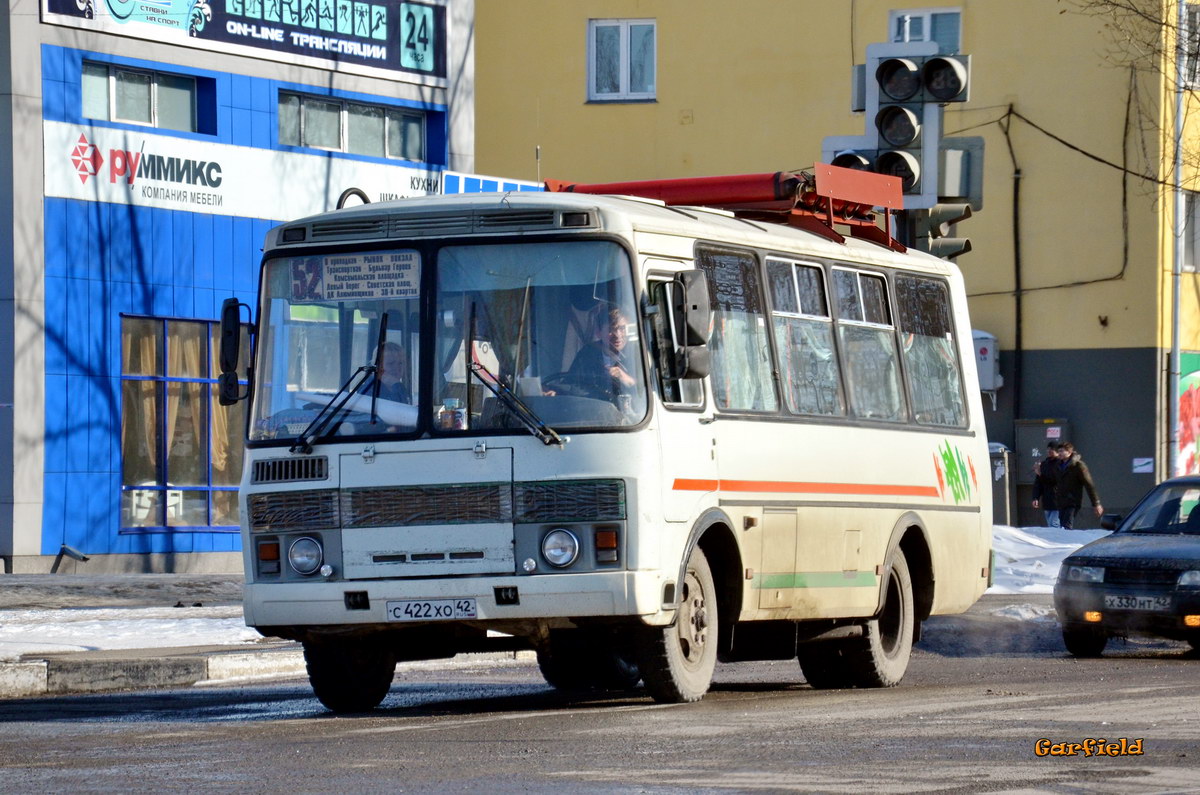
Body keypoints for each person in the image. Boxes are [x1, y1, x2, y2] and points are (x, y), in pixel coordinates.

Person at [562, 306, 637, 407]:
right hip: (593, 410)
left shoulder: (637, 353)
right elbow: (569, 383)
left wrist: (622, 376)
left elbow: (645, 391)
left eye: (622, 328)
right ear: (599, 332)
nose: (618, 335)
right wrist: (554, 391)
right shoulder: (587, 353)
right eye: (610, 330)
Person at [1054, 441, 1103, 529]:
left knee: (1067, 525)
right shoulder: (1058, 465)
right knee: (1062, 526)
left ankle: (1067, 542)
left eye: (1062, 451)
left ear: (1069, 452)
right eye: (1059, 451)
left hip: (1072, 501)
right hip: (1061, 501)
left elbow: (1089, 484)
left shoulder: (1078, 465)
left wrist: (1096, 503)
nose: (1059, 453)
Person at [1031, 441, 1062, 527]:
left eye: (1051, 449)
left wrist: (1040, 474)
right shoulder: (1044, 464)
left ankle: (1056, 540)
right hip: (1047, 500)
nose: (1049, 451)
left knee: (1054, 524)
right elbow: (1038, 483)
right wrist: (1035, 497)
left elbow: (1054, 480)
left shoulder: (1060, 464)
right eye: (1048, 449)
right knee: (1050, 524)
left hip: (1058, 500)